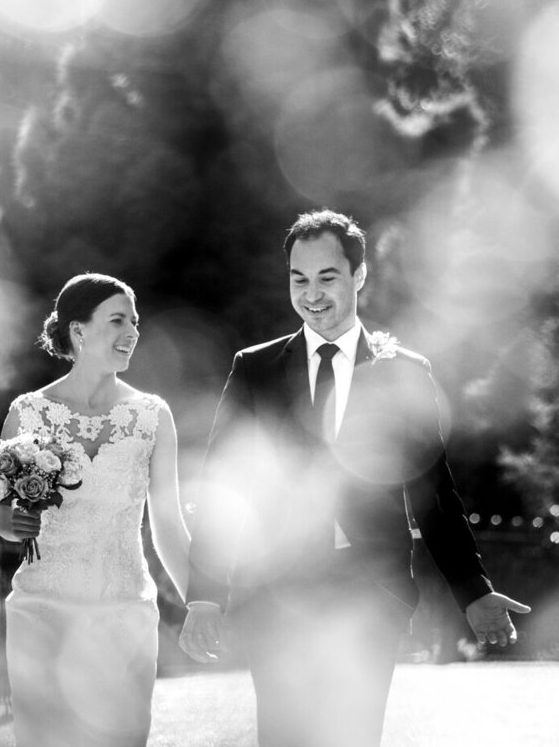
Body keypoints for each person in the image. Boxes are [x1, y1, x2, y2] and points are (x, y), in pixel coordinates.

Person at [179, 210, 530, 747]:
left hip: (373, 597)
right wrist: (205, 596)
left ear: (359, 276)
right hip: (277, 596)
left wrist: (473, 591)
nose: (312, 294)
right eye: (299, 279)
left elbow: (434, 493)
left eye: (328, 277)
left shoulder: (405, 372)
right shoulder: (256, 368)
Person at [0, 272, 191, 747]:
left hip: (125, 616)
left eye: (136, 322)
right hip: (43, 615)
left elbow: (168, 524)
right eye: (118, 320)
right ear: (78, 330)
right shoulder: (28, 413)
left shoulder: (153, 416)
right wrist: (8, 524)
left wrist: (198, 602)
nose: (134, 332)